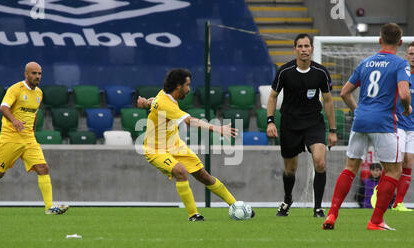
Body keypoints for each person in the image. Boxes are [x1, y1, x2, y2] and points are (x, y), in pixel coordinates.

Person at [323, 23, 411, 230]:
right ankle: (376, 220)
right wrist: (406, 109)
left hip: (360, 121)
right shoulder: (400, 64)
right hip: (383, 122)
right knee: (393, 171)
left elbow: (344, 92)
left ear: (380, 40)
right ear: (400, 42)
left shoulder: (366, 62)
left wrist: (357, 110)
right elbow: (405, 93)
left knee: (350, 168)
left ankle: (332, 215)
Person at [138, 68, 253, 221]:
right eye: (187, 85)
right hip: (155, 150)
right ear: (178, 86)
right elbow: (190, 121)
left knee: (203, 176)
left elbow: (154, 102)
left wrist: (145, 102)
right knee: (180, 171)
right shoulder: (166, 104)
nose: (189, 89)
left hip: (175, 146)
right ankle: (194, 215)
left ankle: (235, 205)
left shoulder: (163, 96)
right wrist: (217, 128)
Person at [0, 62, 69, 215]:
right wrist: (14, 121)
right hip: (11, 137)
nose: (37, 76)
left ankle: (49, 207)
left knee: (43, 168)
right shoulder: (16, 89)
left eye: (39, 73)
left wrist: (32, 129)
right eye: (34, 73)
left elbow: (33, 113)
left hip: (28, 138)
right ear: (26, 74)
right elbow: (3, 107)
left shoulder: (39, 93)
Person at [266, 33, 337, 218]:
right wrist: (270, 121)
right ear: (295, 49)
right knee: (290, 170)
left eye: (307, 46)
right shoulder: (285, 71)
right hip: (290, 124)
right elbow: (273, 96)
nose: (304, 50)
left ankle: (318, 208)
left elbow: (328, 101)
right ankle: (287, 199)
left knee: (320, 163)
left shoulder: (321, 72)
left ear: (312, 48)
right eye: (300, 46)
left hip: (314, 123)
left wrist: (333, 130)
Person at [370, 41, 414, 212]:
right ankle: (379, 189)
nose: (413, 57)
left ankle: (398, 203)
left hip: (413, 127)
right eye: (411, 54)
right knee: (398, 161)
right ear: (406, 55)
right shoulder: (399, 72)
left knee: (409, 162)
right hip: (398, 124)